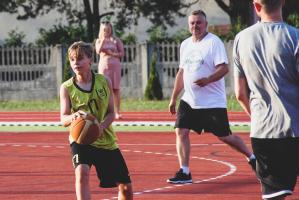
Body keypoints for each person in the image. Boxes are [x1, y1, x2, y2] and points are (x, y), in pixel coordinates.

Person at [167, 10, 256, 184]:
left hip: (212, 102)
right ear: (188, 25)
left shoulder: (214, 43)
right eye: (192, 23)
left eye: (199, 23)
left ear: (206, 24)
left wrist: (208, 80)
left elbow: (224, 68)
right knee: (181, 131)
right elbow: (181, 72)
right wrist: (173, 98)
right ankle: (185, 172)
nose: (195, 26)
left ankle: (252, 157)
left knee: (225, 136)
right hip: (190, 100)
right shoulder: (185, 44)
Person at [233, 0, 299, 199]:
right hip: (294, 128)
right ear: (283, 3)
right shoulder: (294, 36)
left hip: (262, 131)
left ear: (256, 6)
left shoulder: (241, 39)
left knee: (274, 195)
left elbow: (240, 93)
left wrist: (257, 116)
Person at [60, 41, 133, 200]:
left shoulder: (104, 81)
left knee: (126, 189)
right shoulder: (67, 87)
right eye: (72, 59)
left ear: (90, 60)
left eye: (80, 58)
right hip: (80, 139)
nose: (76, 63)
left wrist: (100, 127)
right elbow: (63, 119)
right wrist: (73, 117)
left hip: (105, 139)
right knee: (82, 173)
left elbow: (111, 113)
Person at [95, 21, 124, 119]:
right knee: (104, 89)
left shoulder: (116, 40)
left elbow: (122, 53)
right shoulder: (98, 40)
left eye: (108, 29)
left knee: (116, 89)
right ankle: (104, 111)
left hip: (115, 66)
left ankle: (117, 112)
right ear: (101, 30)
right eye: (104, 29)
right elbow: (98, 51)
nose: (106, 31)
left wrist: (112, 54)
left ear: (111, 29)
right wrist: (103, 40)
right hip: (103, 66)